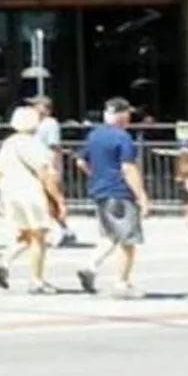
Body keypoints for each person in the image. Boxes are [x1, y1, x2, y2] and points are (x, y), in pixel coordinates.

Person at [77, 97, 151, 297]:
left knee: (111, 235)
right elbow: (128, 168)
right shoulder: (122, 137)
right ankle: (122, 283)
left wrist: (96, 175)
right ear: (122, 116)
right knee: (128, 239)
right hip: (120, 192)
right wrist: (142, 196)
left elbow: (80, 161)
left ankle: (90, 267)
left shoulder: (94, 135)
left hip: (100, 191)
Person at [0, 106, 64, 293]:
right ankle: (36, 280)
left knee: (25, 234)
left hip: (10, 192)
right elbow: (43, 172)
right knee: (39, 236)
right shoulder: (31, 144)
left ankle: (4, 260)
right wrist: (57, 198)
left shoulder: (7, 144)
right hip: (31, 193)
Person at [28, 97, 77, 246]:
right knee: (43, 199)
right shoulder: (34, 124)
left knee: (51, 199)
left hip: (47, 164)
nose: (33, 108)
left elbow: (54, 147)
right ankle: (61, 230)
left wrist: (55, 168)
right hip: (37, 164)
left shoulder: (50, 124)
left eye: (36, 105)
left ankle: (61, 230)